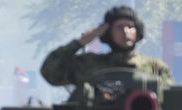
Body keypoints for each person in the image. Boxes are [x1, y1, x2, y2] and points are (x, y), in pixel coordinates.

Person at [40, 5, 172, 88]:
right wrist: (80, 43)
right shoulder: (89, 64)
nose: (126, 32)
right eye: (119, 27)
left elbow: (173, 101)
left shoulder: (155, 67)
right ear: (108, 33)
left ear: (138, 31)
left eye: (130, 27)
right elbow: (50, 72)